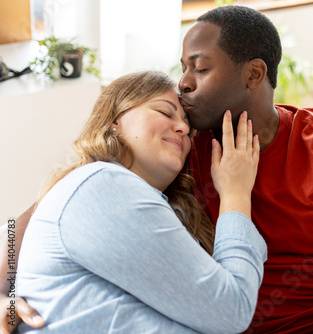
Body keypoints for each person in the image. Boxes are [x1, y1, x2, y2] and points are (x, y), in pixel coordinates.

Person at [2, 5, 313, 334]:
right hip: (233, 315)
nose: (185, 84)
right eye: (183, 69)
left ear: (253, 74)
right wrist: (2, 295)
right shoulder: (176, 148)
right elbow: (25, 225)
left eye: (200, 68)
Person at [10, 70, 266, 333]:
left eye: (187, 126)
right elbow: (231, 310)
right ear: (114, 121)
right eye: (165, 113)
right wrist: (236, 193)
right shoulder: (101, 183)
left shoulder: (151, 204)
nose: (184, 128)